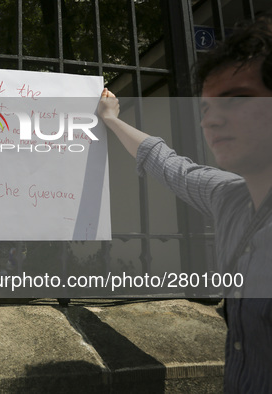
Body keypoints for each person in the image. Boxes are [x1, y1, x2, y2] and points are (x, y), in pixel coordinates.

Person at [98, 12, 272, 393]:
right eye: (207, 108)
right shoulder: (229, 196)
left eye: (237, 100)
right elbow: (169, 164)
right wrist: (111, 119)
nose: (210, 121)